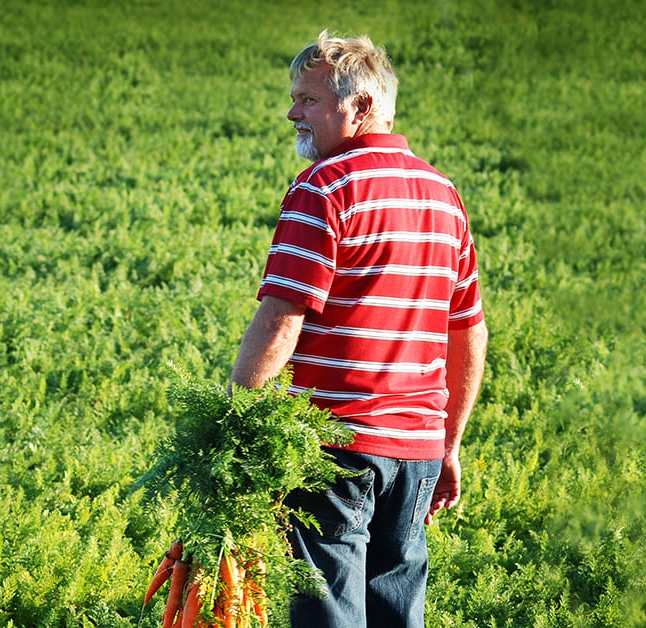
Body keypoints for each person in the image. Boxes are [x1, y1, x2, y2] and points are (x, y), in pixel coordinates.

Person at [229, 31, 488, 628]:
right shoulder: (443, 195)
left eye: (308, 100)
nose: (292, 113)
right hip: (417, 453)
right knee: (398, 613)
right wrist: (449, 443)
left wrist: (234, 428)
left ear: (361, 107)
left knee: (329, 614)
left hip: (332, 445)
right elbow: (467, 329)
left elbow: (280, 317)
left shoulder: (323, 188)